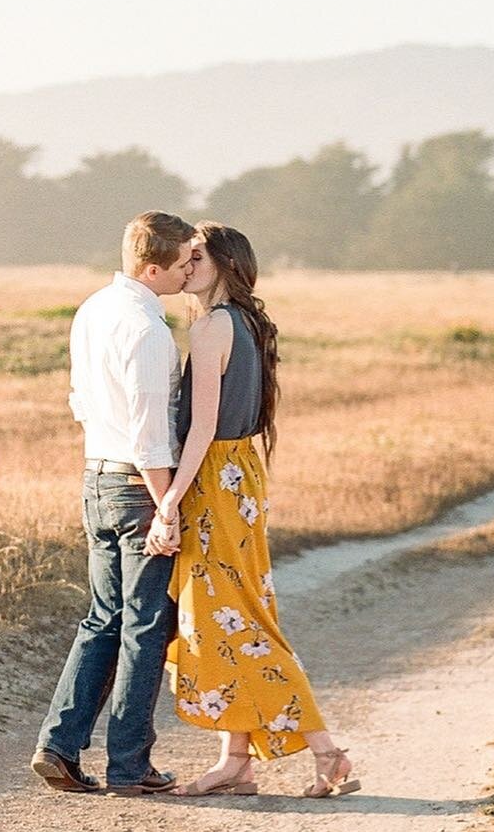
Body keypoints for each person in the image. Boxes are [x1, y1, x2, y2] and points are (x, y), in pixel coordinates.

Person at [146, 220, 358, 799]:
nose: (184, 268)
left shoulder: (215, 326)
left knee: (238, 620)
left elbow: (203, 428)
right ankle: (235, 762)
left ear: (224, 265)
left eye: (195, 259)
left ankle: (327, 751)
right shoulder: (245, 322)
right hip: (240, 475)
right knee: (232, 615)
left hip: (215, 476)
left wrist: (169, 501)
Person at [31, 210, 195, 796]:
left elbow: (81, 399)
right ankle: (130, 766)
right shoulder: (148, 331)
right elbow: (151, 435)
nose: (188, 274)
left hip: (95, 476)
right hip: (136, 485)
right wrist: (167, 508)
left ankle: (59, 746)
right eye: (182, 265)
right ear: (153, 268)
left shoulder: (93, 308)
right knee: (145, 626)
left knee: (102, 618)